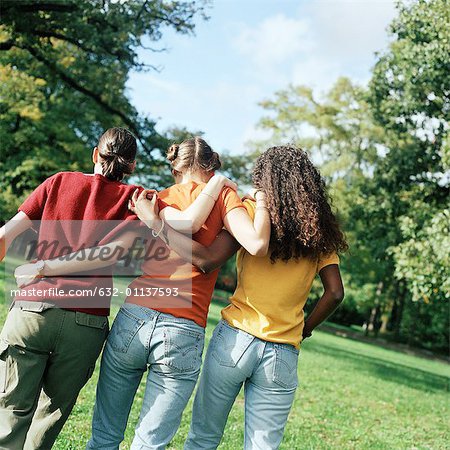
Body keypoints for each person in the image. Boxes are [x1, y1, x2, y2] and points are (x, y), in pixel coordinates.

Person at [0, 128, 233, 450]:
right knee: (50, 413)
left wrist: (41, 267)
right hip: (86, 321)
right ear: (133, 165)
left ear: (96, 154)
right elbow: (121, 249)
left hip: (31, 311)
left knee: (11, 409)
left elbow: (5, 234)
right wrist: (219, 183)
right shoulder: (137, 198)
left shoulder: (58, 181)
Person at [86, 137, 271, 450]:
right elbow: (253, 243)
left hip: (135, 316)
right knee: (149, 444)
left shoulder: (156, 198)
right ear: (211, 165)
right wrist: (257, 200)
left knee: (104, 437)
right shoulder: (225, 196)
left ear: (176, 168)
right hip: (184, 327)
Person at [180, 145, 348, 450]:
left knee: (202, 439)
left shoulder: (248, 211)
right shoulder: (318, 232)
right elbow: (335, 293)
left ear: (264, 180)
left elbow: (206, 259)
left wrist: (159, 226)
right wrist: (306, 327)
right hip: (283, 352)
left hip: (235, 340)